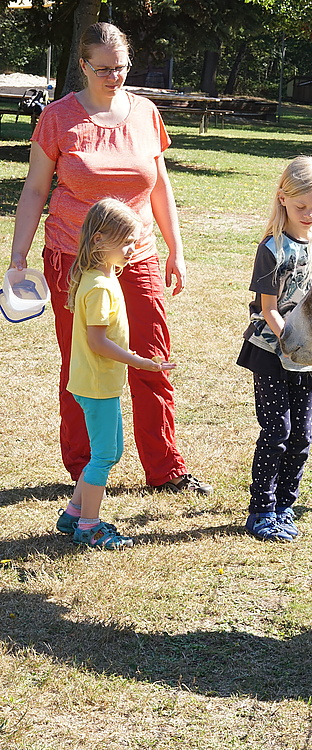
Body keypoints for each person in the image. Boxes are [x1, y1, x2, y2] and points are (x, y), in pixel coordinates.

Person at [9, 22, 211, 496]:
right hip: (72, 259)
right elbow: (36, 189)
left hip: (135, 255)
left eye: (120, 67)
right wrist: (18, 256)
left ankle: (165, 468)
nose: (113, 77)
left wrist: (175, 251)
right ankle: (83, 468)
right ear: (83, 65)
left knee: (150, 358)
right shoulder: (58, 118)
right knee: (80, 362)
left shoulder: (145, 113)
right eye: (102, 69)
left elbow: (160, 186)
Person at [56, 199, 176, 549]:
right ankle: (88, 526)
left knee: (110, 450)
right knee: (105, 455)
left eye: (135, 241)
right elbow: (97, 341)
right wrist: (139, 362)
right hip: (96, 385)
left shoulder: (102, 277)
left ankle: (73, 513)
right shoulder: (99, 287)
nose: (133, 249)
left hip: (98, 383)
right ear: (98, 241)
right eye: (126, 243)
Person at [237, 155, 312, 542]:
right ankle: (261, 510)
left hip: (310, 354)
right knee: (276, 431)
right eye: (301, 207)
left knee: (302, 436)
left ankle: (284, 506)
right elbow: (267, 309)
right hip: (272, 350)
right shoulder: (272, 249)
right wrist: (291, 345)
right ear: (282, 199)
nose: (309, 214)